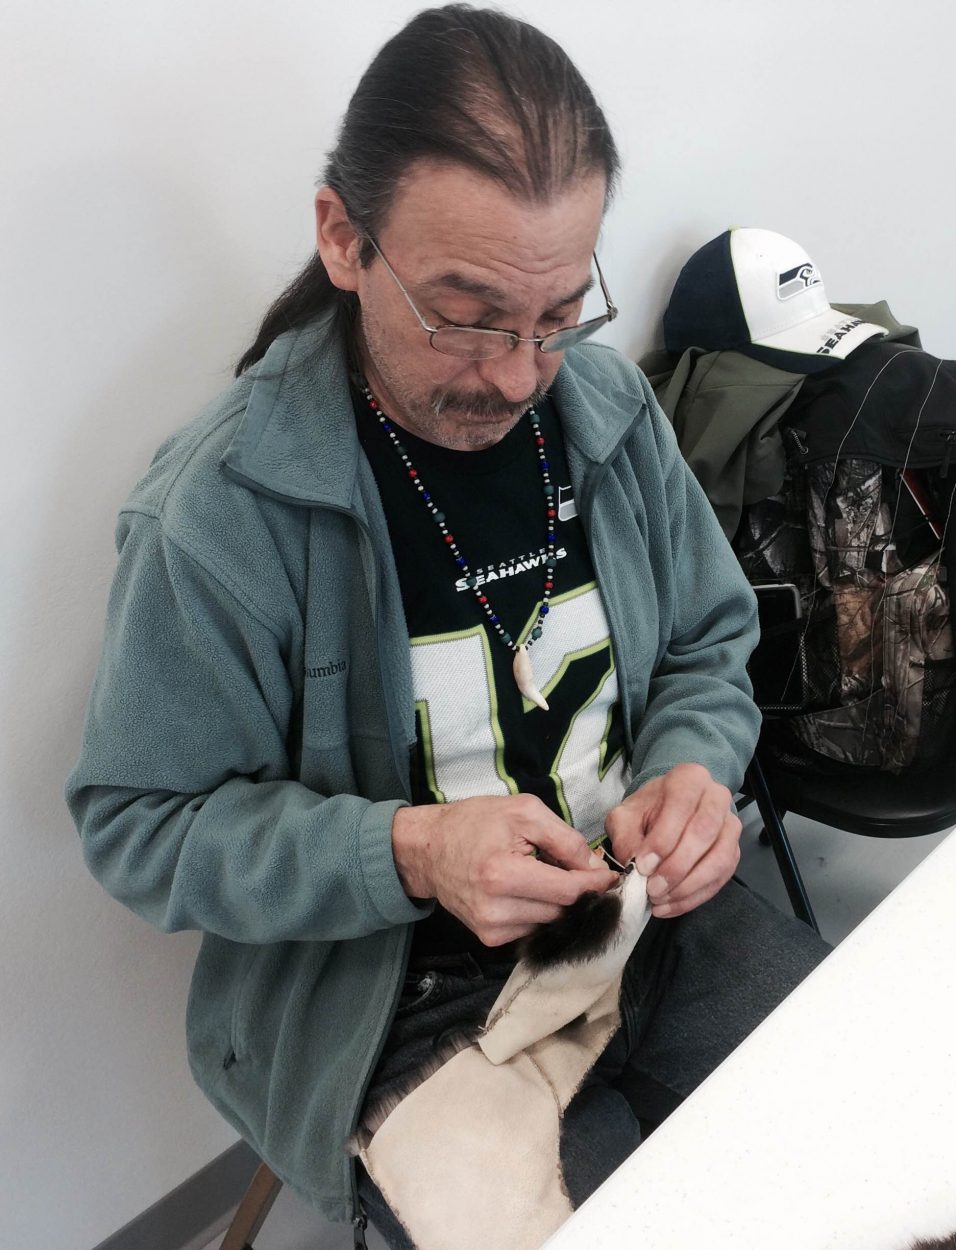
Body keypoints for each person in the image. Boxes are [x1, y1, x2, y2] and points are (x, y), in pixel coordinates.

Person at [66, 6, 828, 1246]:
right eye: (467, 316)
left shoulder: (605, 406)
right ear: (342, 237)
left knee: (873, 1141)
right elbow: (140, 823)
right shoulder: (222, 513)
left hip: (642, 911)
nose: (518, 375)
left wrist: (691, 763)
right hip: (397, 991)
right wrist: (411, 851)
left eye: (556, 314)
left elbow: (705, 636)